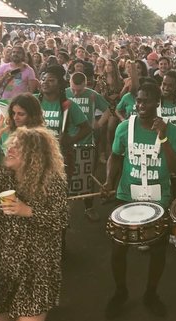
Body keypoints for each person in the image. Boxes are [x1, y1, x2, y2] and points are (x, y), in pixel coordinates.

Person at [103, 82, 176, 319]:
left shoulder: (173, 131)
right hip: (128, 195)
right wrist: (109, 181)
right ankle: (120, 291)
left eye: (145, 101)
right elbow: (115, 157)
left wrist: (164, 138)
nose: (140, 105)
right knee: (119, 248)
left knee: (158, 250)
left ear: (157, 103)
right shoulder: (125, 128)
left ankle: (151, 294)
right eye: (138, 100)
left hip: (159, 199)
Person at [0, 120, 68, 321]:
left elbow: (61, 220)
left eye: (17, 146)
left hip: (35, 274)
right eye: (10, 144)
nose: (9, 148)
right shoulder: (3, 177)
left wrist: (28, 211)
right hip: (0, 269)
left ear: (34, 154)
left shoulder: (53, 183)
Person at [66, 72, 111, 221]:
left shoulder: (92, 94)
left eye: (79, 90)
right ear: (69, 83)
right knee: (64, 175)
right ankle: (63, 208)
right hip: (66, 141)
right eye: (73, 89)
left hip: (86, 141)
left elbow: (108, 110)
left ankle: (89, 207)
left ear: (86, 84)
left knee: (88, 177)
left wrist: (99, 124)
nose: (75, 92)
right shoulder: (63, 93)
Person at [0, 93, 45, 169]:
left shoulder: (39, 137)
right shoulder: (4, 129)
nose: (15, 117)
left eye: (21, 114)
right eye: (13, 113)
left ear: (32, 115)